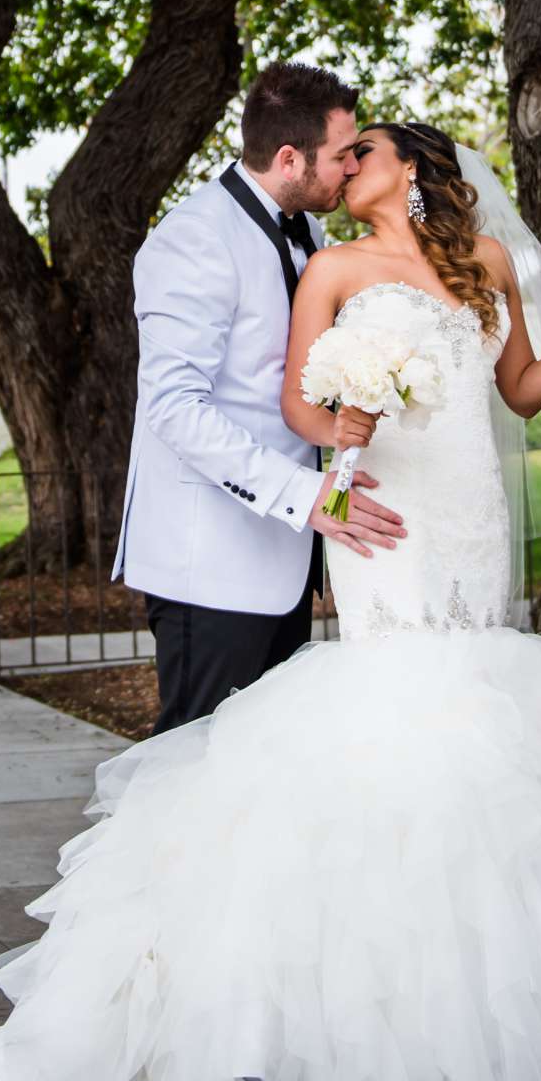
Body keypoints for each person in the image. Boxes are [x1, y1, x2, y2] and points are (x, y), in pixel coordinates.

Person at [0, 120, 541, 1081]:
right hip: (379, 516)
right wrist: (342, 427)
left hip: (471, 517)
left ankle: (451, 1019)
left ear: (411, 169)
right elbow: (297, 408)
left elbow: (522, 390)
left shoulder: (483, 260)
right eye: (339, 156)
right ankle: (349, 1026)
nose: (344, 169)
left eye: (364, 156)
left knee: (474, 706)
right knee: (399, 707)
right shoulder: (332, 270)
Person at [111, 60, 406, 734]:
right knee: (192, 767)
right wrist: (305, 497)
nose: (353, 169)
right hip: (210, 563)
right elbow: (175, 409)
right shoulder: (195, 238)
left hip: (286, 556)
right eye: (342, 156)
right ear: (287, 158)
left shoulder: (312, 233)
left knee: (262, 767)